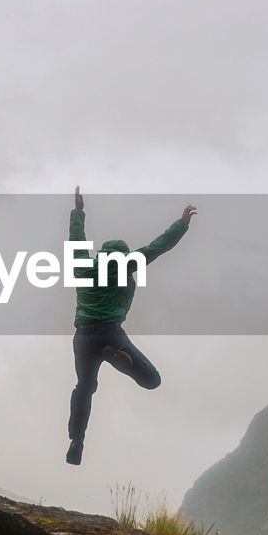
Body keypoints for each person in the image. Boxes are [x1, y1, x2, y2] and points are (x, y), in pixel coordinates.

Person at [65, 186, 196, 465]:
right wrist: (182, 224)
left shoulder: (83, 265)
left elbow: (76, 239)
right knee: (152, 380)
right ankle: (116, 357)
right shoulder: (126, 265)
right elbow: (157, 246)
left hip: (83, 336)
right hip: (111, 332)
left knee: (85, 387)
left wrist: (78, 211)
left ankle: (77, 439)